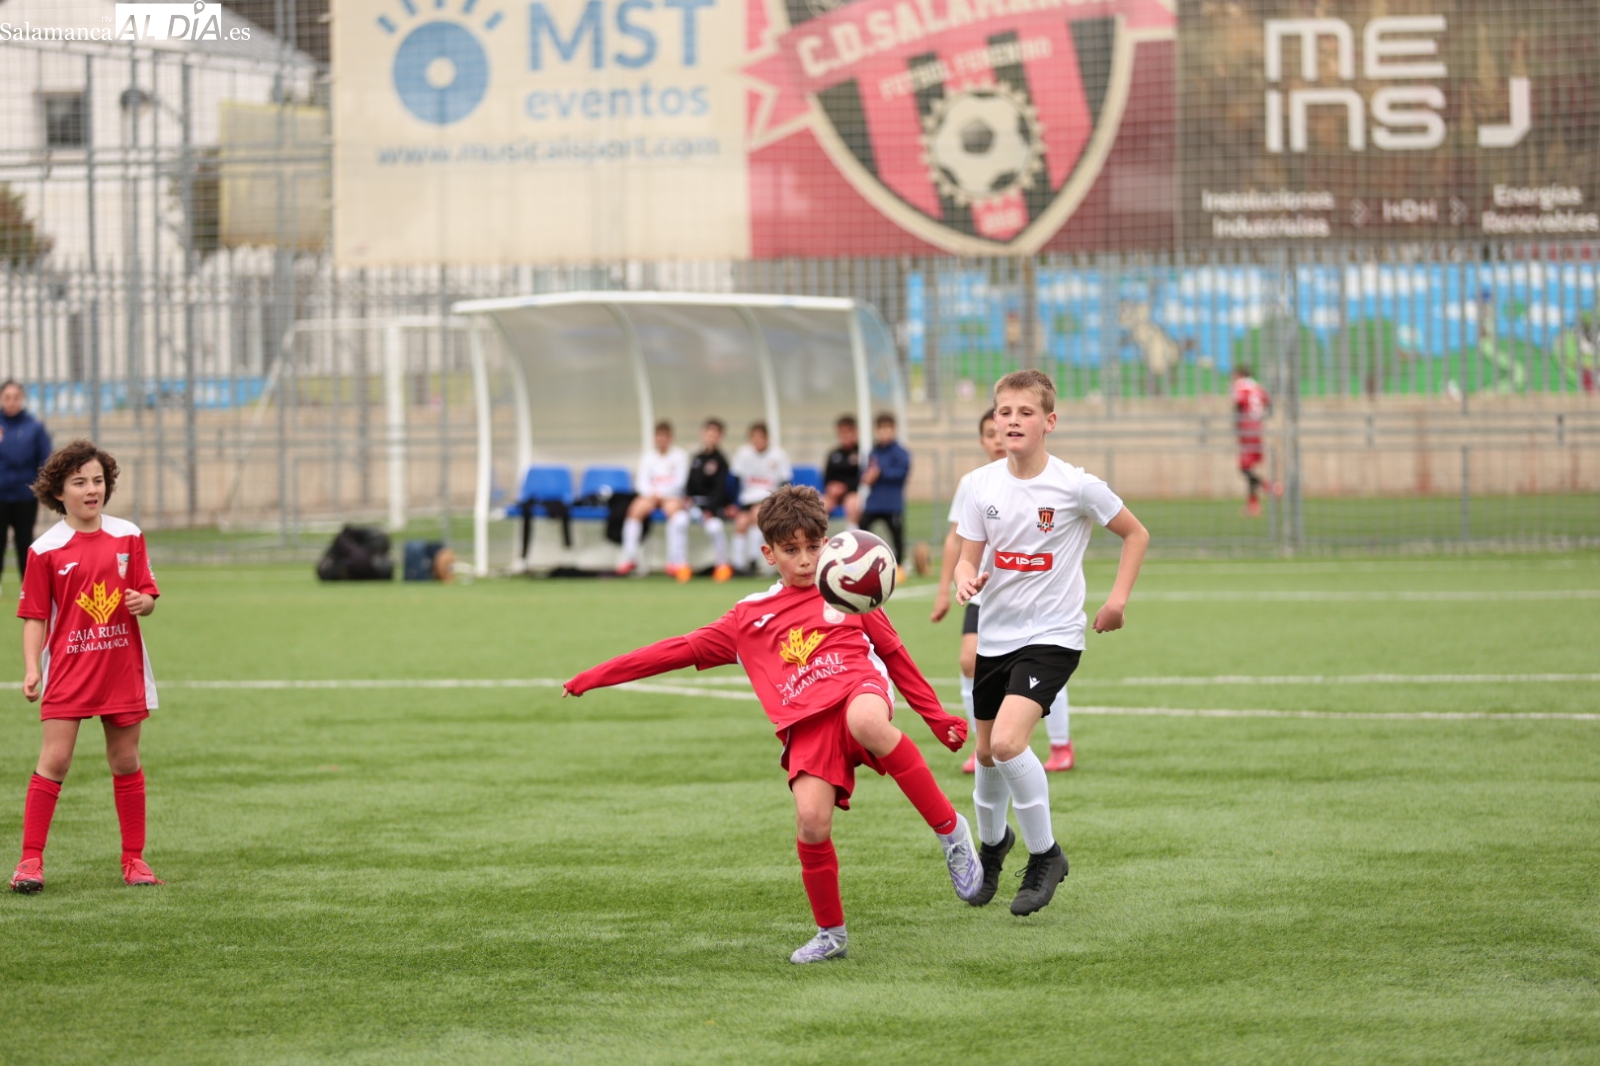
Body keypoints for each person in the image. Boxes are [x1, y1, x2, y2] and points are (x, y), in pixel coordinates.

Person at [564, 485, 981, 963]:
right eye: (791, 550)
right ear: (768, 553)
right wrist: (595, 677)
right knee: (811, 821)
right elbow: (675, 650)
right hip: (805, 724)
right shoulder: (747, 618)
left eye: (813, 546)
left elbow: (894, 655)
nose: (805, 560)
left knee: (866, 720)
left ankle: (951, 834)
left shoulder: (847, 589)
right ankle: (832, 934)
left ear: (827, 542)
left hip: (857, 690)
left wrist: (935, 716)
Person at [954, 370, 1149, 916]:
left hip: (1054, 636)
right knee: (988, 754)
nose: (1012, 421)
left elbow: (1136, 533)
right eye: (1004, 412)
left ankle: (1046, 856)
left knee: (1011, 743)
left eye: (1025, 413)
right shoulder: (980, 485)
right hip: (996, 634)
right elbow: (970, 553)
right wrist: (963, 578)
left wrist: (1117, 601)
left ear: (1049, 422)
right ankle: (993, 848)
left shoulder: (1075, 485)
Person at [10, 440, 163, 894]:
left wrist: (144, 602)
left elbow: (148, 594)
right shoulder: (45, 550)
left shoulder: (128, 535)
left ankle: (134, 860)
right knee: (55, 759)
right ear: (59, 492)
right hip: (70, 670)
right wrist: (32, 668)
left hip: (121, 666)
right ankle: (30, 862)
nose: (91, 489)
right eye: (80, 482)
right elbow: (35, 616)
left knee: (125, 759)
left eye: (98, 480)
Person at [933, 410, 1077, 775]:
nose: (997, 439)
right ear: (984, 439)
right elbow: (957, 540)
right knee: (969, 660)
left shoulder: (1047, 480)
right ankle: (981, 745)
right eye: (988, 433)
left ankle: (1060, 742)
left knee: (1037, 661)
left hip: (1033, 600)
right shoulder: (974, 483)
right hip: (983, 593)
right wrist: (946, 589)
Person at [616, 421, 689, 577]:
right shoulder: (648, 457)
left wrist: (661, 494)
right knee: (634, 510)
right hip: (651, 496)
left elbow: (680, 482)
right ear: (654, 438)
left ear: (670, 438)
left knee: (675, 513)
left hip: (671, 496)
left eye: (665, 437)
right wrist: (653, 494)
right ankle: (630, 557)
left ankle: (674, 561)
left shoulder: (680, 456)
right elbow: (641, 482)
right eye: (658, 437)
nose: (661, 440)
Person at [0, 380, 52, 589]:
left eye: (16, 397)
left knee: (25, 542)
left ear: (22, 399)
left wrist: (41, 490)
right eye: (7, 397)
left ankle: (28, 587)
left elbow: (45, 459)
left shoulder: (34, 427)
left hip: (25, 497)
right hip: (0, 496)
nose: (12, 402)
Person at [674, 417, 735, 583]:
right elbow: (689, 486)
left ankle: (722, 566)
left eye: (715, 433)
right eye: (709, 433)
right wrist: (686, 501)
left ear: (720, 436)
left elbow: (720, 490)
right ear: (703, 434)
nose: (711, 436)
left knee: (714, 528)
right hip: (694, 506)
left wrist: (711, 511)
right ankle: (681, 566)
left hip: (711, 508)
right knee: (678, 521)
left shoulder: (721, 461)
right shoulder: (697, 458)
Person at [849, 413, 910, 574]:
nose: (884, 433)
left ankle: (900, 564)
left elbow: (902, 473)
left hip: (892, 502)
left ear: (894, 431)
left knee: (896, 533)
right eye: (881, 430)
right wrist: (867, 477)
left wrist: (881, 473)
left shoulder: (900, 452)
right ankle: (864, 559)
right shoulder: (873, 452)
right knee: (863, 527)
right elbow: (865, 473)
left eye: (888, 430)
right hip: (874, 502)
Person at [729, 421, 792, 575]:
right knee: (741, 523)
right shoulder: (743, 454)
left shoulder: (778, 455)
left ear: (767, 438)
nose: (758, 441)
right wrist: (732, 504)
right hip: (747, 499)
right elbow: (735, 481)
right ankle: (738, 565)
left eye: (761, 438)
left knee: (757, 516)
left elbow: (785, 481)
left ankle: (754, 561)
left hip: (769, 499)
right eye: (754, 438)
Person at [1231, 365, 1275, 517]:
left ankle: (1270, 486)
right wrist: (1261, 418)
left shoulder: (1240, 385)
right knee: (1249, 467)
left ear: (1240, 374)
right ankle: (1253, 505)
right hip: (1257, 429)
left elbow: (1238, 404)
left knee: (1244, 468)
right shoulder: (1256, 386)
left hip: (1246, 429)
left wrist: (1237, 424)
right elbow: (1269, 402)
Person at [820, 415, 860, 517]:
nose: (845, 435)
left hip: (853, 493)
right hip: (834, 496)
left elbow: (861, 478)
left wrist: (845, 487)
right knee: (819, 506)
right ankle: (817, 532)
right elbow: (827, 478)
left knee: (853, 503)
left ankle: (852, 531)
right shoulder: (833, 454)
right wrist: (831, 487)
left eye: (848, 431)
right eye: (842, 432)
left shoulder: (861, 453)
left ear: (855, 432)